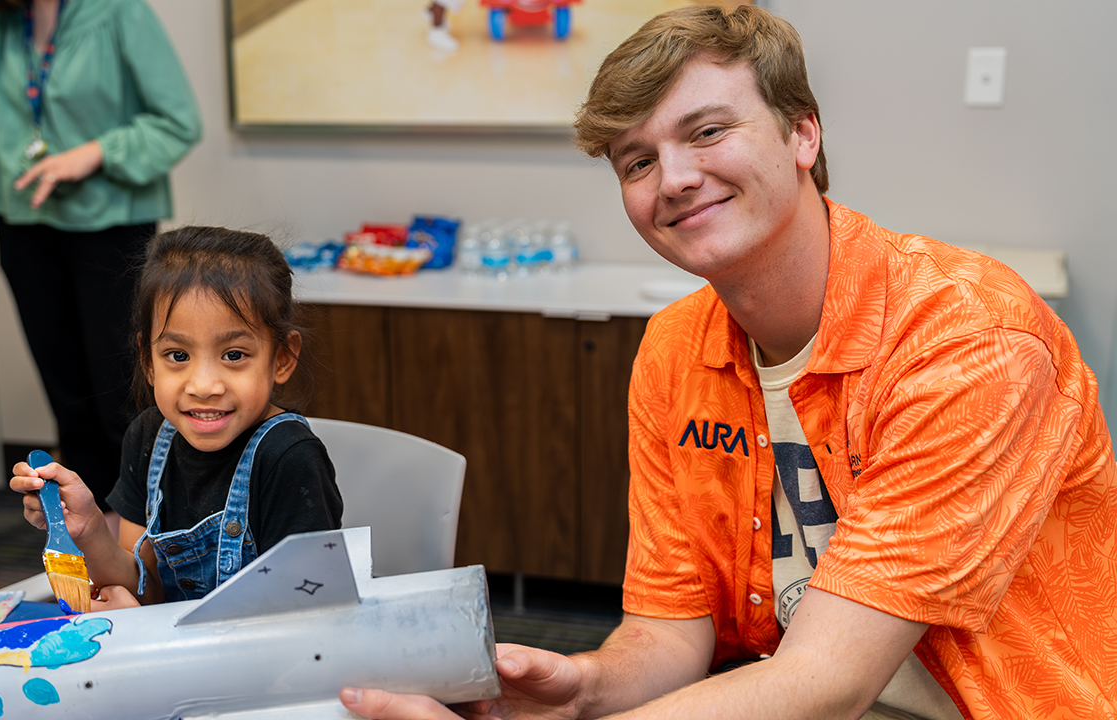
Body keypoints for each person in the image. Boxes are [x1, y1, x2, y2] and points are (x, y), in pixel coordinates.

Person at [339, 5, 1117, 720]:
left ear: (803, 135)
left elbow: (827, 682)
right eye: (636, 162)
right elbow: (672, 633)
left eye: (707, 132)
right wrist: (587, 690)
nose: (672, 179)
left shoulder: (969, 339)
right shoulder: (676, 348)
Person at [0, 0, 203, 521]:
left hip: (108, 226)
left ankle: (148, 534)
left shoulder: (118, 13)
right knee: (68, 400)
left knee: (121, 400)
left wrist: (93, 153)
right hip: (23, 224)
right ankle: (84, 533)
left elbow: (178, 122)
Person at [10, 226, 343, 610]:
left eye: (234, 355)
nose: (203, 385)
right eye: (178, 356)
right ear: (147, 360)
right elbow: (147, 588)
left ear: (282, 358)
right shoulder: (149, 437)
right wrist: (88, 529)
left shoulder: (290, 458)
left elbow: (307, 620)